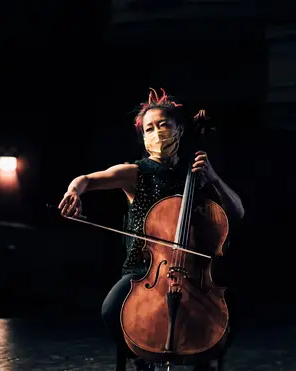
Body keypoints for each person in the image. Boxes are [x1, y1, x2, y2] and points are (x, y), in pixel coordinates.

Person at [58, 88, 245, 371]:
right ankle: (141, 359)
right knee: (111, 310)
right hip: (144, 270)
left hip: (194, 272)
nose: (157, 133)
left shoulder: (196, 173)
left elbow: (238, 212)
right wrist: (74, 192)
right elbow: (87, 179)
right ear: (143, 139)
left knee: (233, 313)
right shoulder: (135, 172)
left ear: (179, 130)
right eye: (149, 129)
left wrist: (214, 178)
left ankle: (202, 360)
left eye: (163, 125)